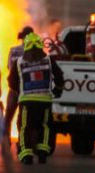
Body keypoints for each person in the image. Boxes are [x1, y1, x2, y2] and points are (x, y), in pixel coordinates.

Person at [8, 33, 63, 165]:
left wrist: (20, 90)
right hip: (45, 101)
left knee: (24, 127)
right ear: (40, 45)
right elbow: (59, 76)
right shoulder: (49, 60)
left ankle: (26, 154)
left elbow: (11, 82)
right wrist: (58, 89)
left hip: (27, 101)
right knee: (45, 126)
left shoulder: (19, 62)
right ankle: (43, 153)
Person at [3, 27, 29, 138]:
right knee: (25, 118)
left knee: (8, 115)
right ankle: (23, 140)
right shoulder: (38, 53)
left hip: (14, 87)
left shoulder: (13, 50)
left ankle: (6, 139)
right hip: (29, 89)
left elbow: (9, 67)